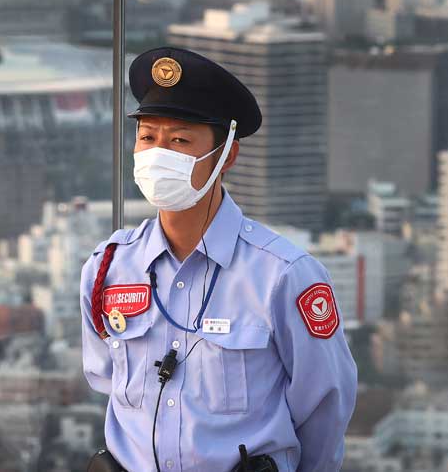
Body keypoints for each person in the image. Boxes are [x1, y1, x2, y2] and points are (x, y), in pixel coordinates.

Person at [80, 47, 357, 472]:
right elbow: (106, 382)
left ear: (226, 155)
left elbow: (325, 407)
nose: (158, 154)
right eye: (148, 137)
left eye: (179, 140)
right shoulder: (108, 268)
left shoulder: (283, 275)